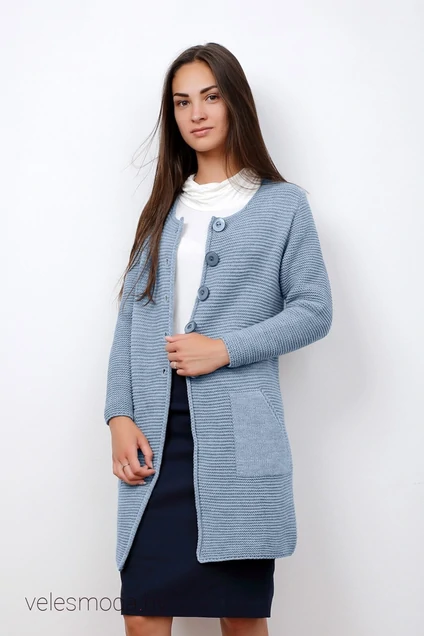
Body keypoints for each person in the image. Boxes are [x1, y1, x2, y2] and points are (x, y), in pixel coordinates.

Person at [104, 42, 333, 636]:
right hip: (156, 435)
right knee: (142, 613)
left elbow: (314, 310)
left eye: (210, 97)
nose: (196, 113)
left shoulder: (284, 206)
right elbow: (130, 320)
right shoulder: (162, 209)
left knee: (241, 617)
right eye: (182, 102)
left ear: (235, 104)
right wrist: (119, 415)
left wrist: (225, 348)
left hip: (238, 440)